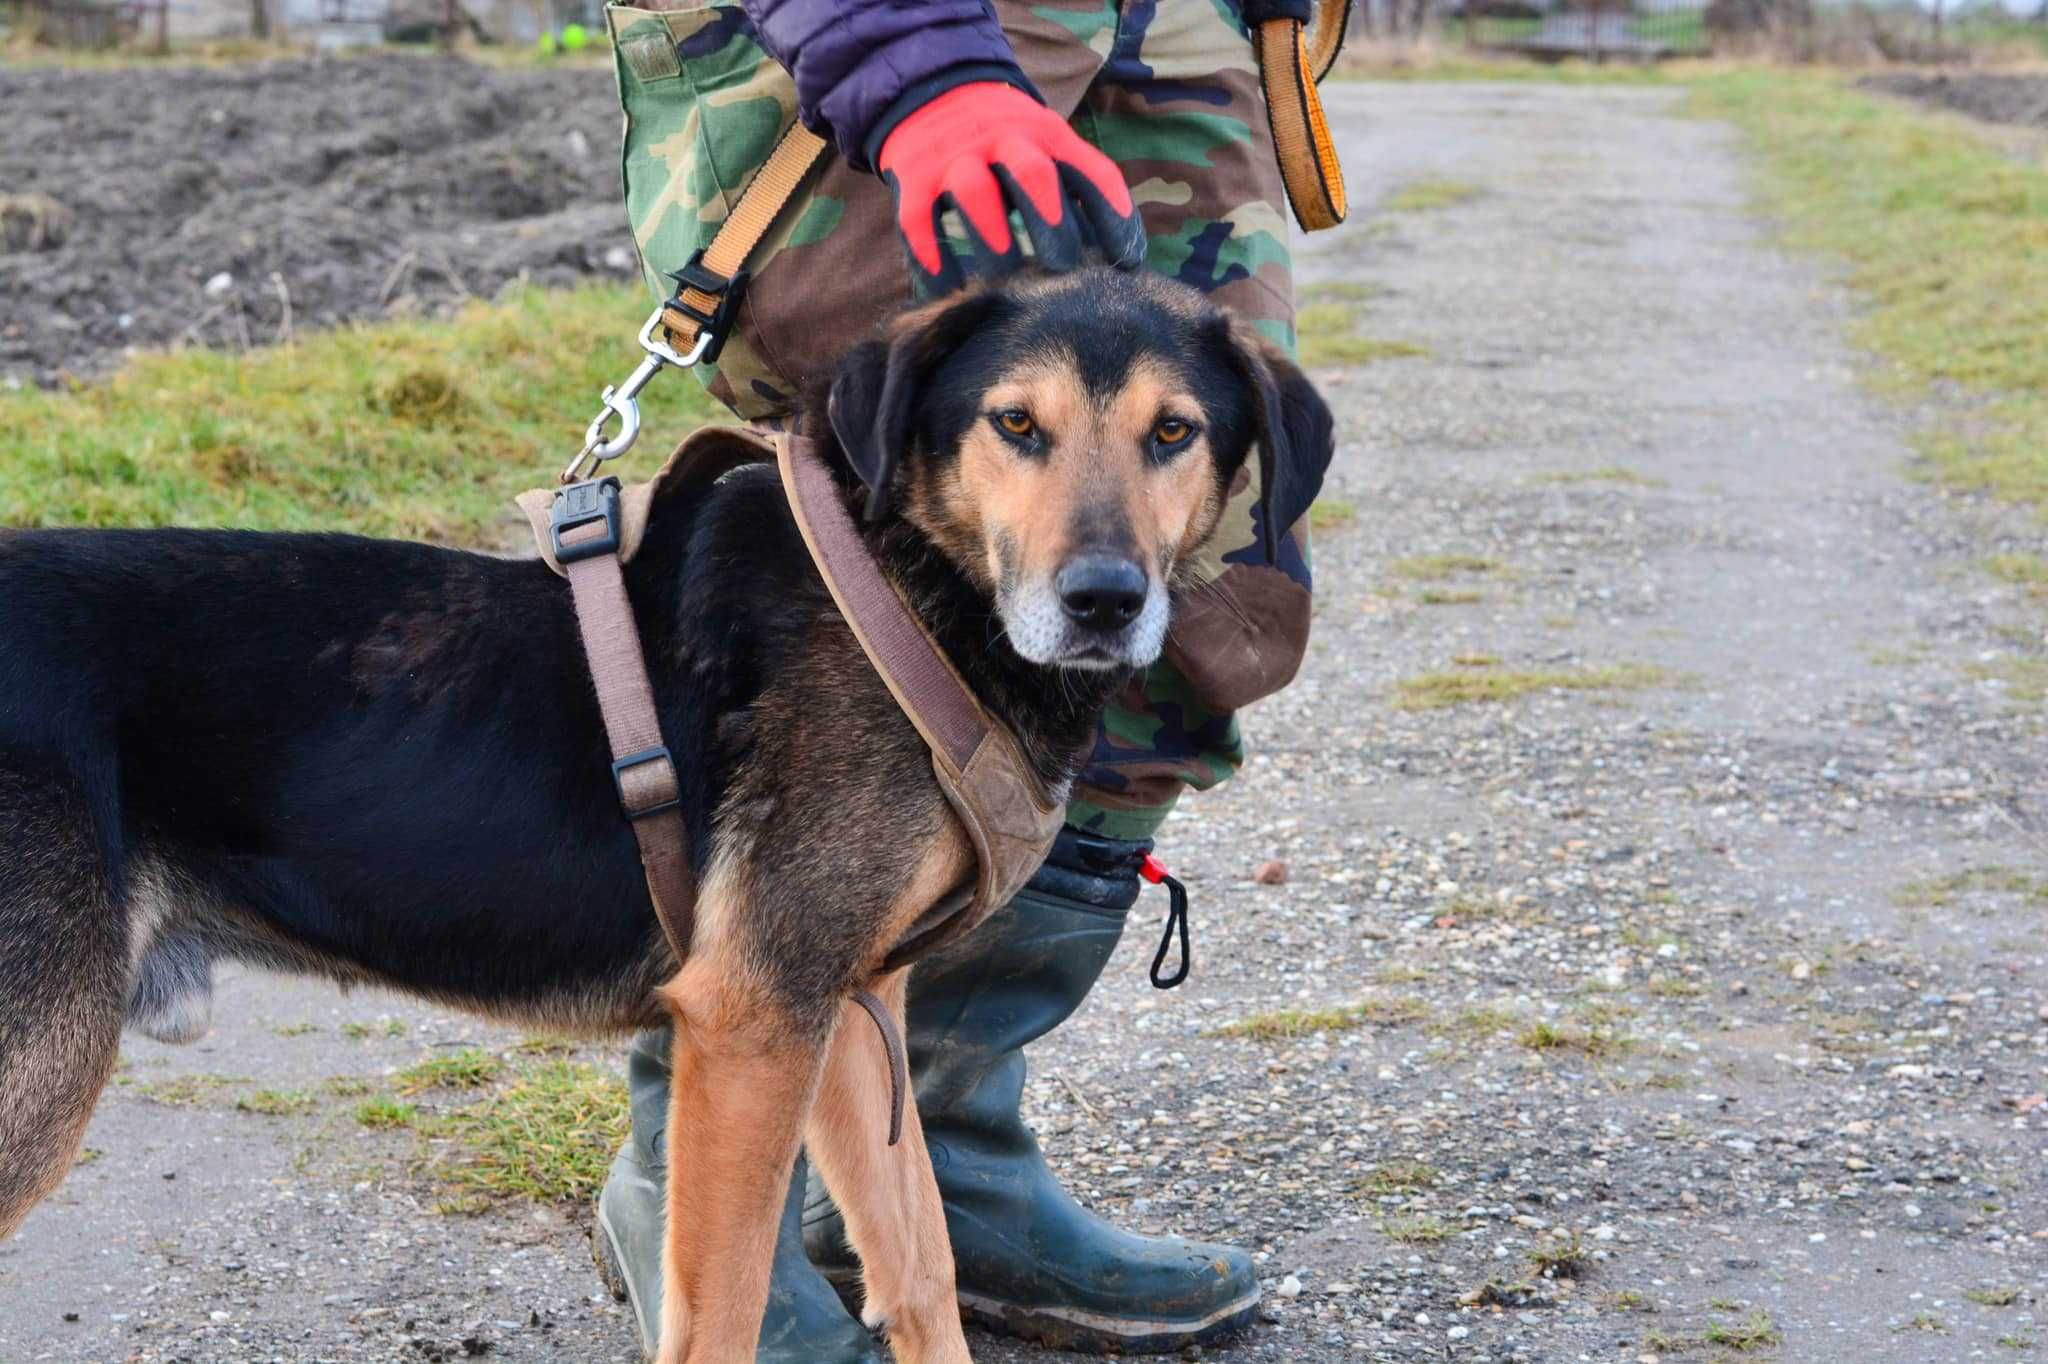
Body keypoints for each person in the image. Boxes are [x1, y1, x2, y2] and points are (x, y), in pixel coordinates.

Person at [593, 1, 1327, 1358]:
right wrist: (905, 55)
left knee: (1207, 602)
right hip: (900, 33)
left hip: (1180, 31)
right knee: (849, 612)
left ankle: (944, 1157)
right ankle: (700, 1175)